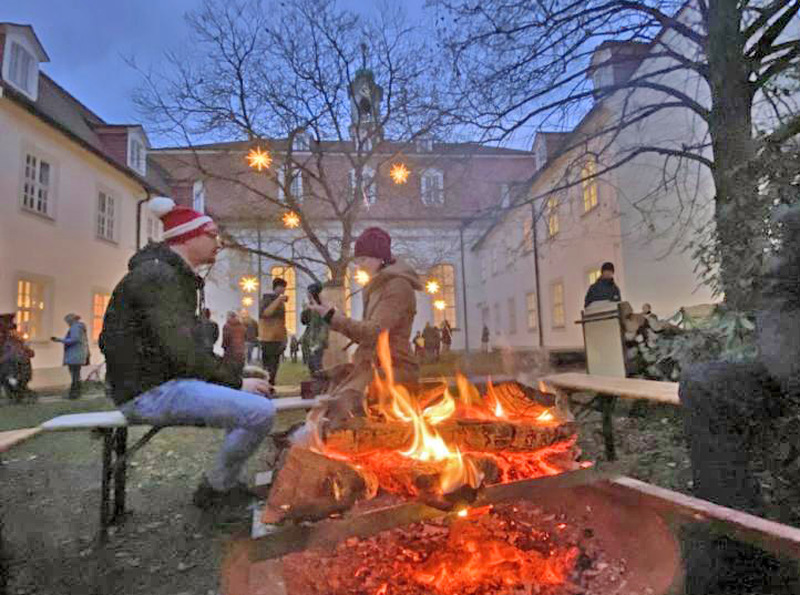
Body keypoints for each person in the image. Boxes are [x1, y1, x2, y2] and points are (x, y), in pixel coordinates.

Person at [99, 196, 273, 509]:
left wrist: (236, 374)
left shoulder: (171, 277)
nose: (218, 244)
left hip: (157, 385)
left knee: (256, 403)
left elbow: (187, 350)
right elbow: (180, 352)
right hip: (149, 393)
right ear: (188, 237)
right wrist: (234, 382)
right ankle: (217, 488)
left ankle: (220, 485)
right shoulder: (158, 277)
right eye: (212, 235)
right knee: (261, 412)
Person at [679, 205, 800, 593]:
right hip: (792, 366)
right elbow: (780, 298)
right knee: (704, 384)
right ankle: (740, 543)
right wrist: (789, 363)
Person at [306, 227, 422, 430]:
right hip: (373, 365)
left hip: (394, 367)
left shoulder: (397, 286)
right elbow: (368, 334)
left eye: (364, 259)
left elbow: (373, 333)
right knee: (328, 392)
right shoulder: (380, 285)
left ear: (380, 258)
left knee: (344, 405)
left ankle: (348, 450)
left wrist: (333, 317)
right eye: (358, 260)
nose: (359, 266)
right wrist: (332, 315)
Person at [51, 313, 89, 400]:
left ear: (71, 320)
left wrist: (59, 340)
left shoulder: (75, 327)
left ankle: (74, 394)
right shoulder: (80, 327)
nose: (67, 323)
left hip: (74, 355)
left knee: (74, 375)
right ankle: (76, 393)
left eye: (67, 321)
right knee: (76, 374)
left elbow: (74, 339)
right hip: (78, 354)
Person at [259, 278, 288, 390]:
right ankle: (266, 386)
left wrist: (285, 337)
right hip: (268, 338)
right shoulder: (267, 299)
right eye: (282, 287)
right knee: (268, 366)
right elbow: (266, 313)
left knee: (275, 365)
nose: (284, 290)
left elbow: (282, 322)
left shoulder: (280, 302)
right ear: (276, 287)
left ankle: (271, 385)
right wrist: (278, 300)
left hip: (278, 338)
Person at [0, 314, 34, 403]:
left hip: (16, 364)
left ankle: (21, 396)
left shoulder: (15, 338)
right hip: (11, 364)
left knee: (14, 381)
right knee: (8, 380)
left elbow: (12, 351)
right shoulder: (7, 337)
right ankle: (18, 396)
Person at [300, 284, 330, 378]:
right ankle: (315, 382)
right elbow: (304, 321)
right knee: (311, 365)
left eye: (309, 293)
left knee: (317, 364)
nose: (308, 295)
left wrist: (321, 340)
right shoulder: (310, 306)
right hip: (310, 339)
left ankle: (319, 384)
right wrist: (305, 310)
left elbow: (325, 324)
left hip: (319, 339)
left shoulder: (323, 306)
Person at [222, 311, 247, 376]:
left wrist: (224, 347)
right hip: (241, 352)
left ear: (229, 317)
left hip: (230, 352)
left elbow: (226, 339)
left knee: (230, 373)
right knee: (239, 372)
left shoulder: (227, 326)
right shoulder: (242, 326)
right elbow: (245, 337)